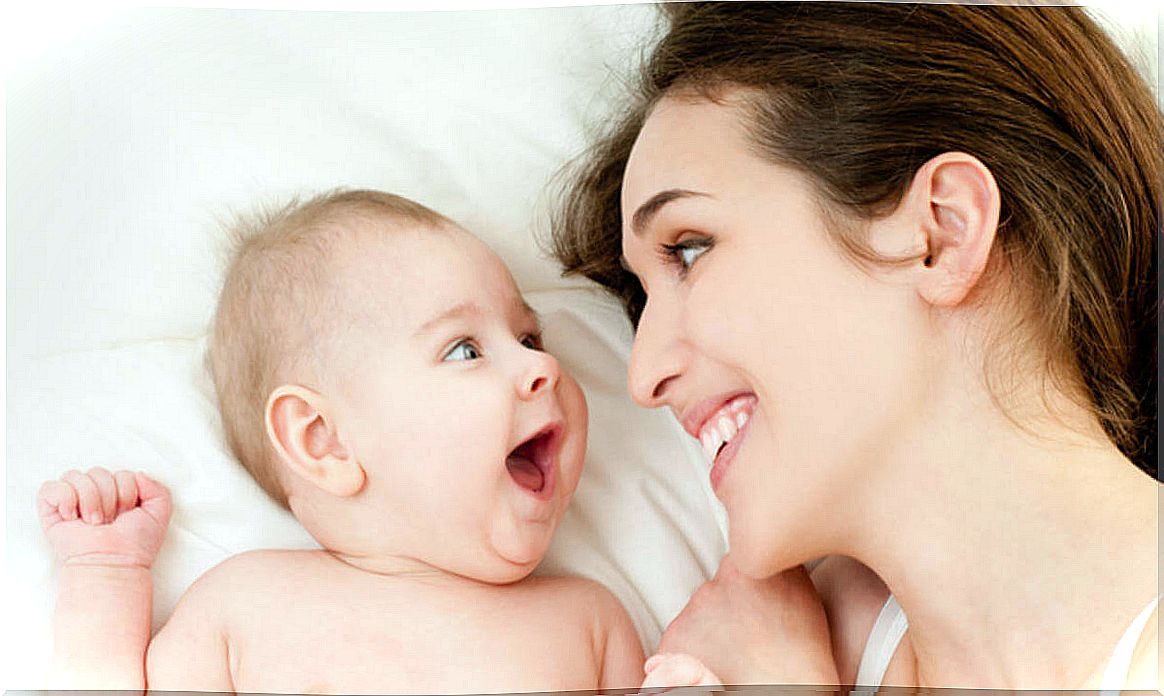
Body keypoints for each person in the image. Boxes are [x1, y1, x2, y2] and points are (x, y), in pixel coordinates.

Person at [551, 2, 1161, 689]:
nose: (643, 376)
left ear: (941, 232)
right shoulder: (748, 644)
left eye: (689, 249)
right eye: (643, 299)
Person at [38, 189, 664, 693]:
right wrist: (107, 577)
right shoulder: (246, 609)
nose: (544, 368)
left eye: (529, 339)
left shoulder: (589, 623)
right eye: (465, 349)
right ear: (323, 442)